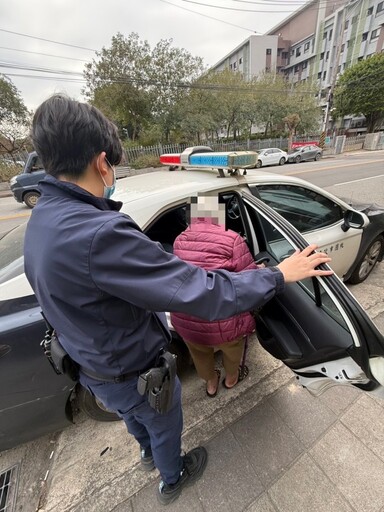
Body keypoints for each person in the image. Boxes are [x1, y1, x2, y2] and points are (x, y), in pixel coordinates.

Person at [24, 94, 333, 507]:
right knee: (164, 424)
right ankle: (173, 477)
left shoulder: (42, 218)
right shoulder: (99, 233)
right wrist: (277, 274)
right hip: (133, 369)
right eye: (112, 165)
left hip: (89, 365)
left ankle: (147, 454)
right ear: (102, 162)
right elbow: (206, 292)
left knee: (134, 420)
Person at [171, 195, 259, 396]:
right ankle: (231, 379)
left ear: (192, 215)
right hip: (224, 317)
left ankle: (211, 384)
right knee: (232, 349)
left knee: (200, 353)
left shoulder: (179, 241)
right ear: (218, 214)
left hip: (188, 318)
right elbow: (249, 279)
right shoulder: (232, 239)